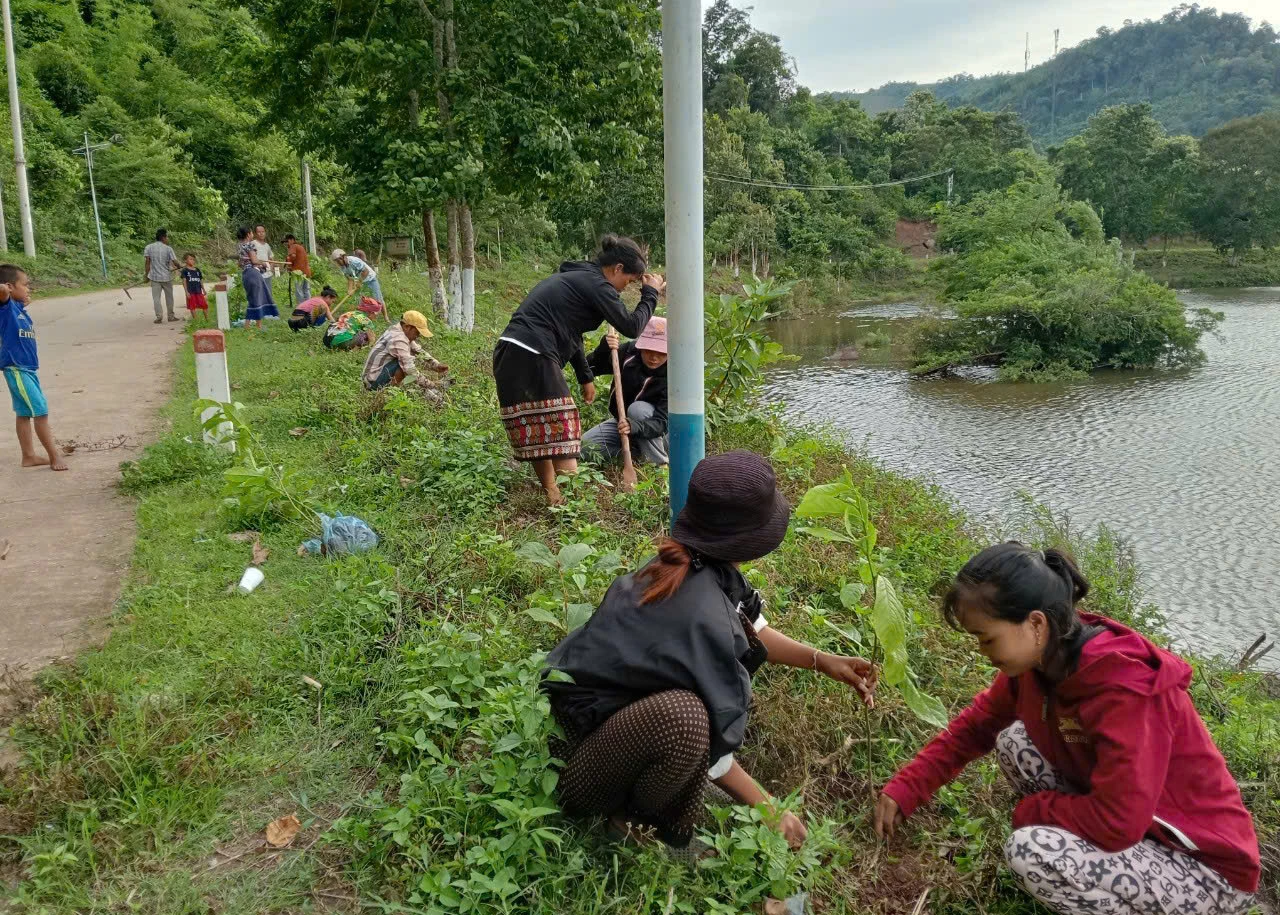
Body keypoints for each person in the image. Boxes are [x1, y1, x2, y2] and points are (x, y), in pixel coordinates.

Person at [874, 542, 1259, 915]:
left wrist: (1035, 810)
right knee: (1013, 741)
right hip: (1141, 827)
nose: (981, 651)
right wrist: (906, 788)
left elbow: (1118, 822)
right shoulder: (1038, 667)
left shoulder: (1122, 688)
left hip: (1206, 871)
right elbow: (974, 729)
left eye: (987, 638)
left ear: (1036, 624)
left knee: (1030, 852)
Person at [544, 451, 876, 854]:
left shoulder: (688, 566)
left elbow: (751, 629)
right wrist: (768, 808)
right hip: (574, 769)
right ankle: (628, 820)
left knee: (685, 721)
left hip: (600, 730)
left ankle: (652, 784)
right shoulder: (700, 614)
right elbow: (716, 741)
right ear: (753, 541)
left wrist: (823, 661)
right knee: (686, 721)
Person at [493, 234, 665, 504]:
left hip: (510, 351)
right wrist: (650, 294)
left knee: (540, 424)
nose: (622, 290)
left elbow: (571, 335)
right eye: (628, 281)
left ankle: (554, 495)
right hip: (533, 352)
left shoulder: (580, 279)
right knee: (561, 425)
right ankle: (574, 500)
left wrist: (586, 376)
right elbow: (631, 327)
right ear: (617, 268)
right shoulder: (597, 284)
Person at [0, 265, 66, 471]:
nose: (29, 289)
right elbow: (2, 291)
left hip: (27, 369)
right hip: (17, 369)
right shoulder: (5, 306)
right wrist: (6, 290)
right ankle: (54, 456)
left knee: (23, 413)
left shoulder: (17, 307)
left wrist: (21, 299)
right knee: (40, 412)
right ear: (10, 287)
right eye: (25, 285)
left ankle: (28, 456)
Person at [581, 316, 669, 466]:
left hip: (662, 433)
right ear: (641, 346)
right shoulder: (628, 353)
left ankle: (658, 466)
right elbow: (590, 368)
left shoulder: (674, 374)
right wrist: (604, 348)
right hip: (623, 423)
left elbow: (662, 422)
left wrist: (635, 426)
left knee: (638, 409)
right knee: (584, 447)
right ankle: (637, 457)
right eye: (649, 350)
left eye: (661, 352)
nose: (654, 357)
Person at [362, 310, 448, 391]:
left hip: (375, 375)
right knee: (404, 365)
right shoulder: (398, 339)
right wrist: (432, 385)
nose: (418, 336)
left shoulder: (401, 332)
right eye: (417, 332)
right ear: (407, 327)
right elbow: (409, 370)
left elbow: (418, 351)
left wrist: (436, 365)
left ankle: (392, 389)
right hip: (372, 381)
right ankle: (388, 392)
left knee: (408, 357)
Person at [236, 226, 278, 328]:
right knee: (257, 298)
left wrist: (260, 265)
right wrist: (263, 264)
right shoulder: (249, 245)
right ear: (248, 234)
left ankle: (249, 325)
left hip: (246, 274)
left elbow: (240, 263)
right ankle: (258, 326)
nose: (252, 234)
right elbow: (254, 261)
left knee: (253, 298)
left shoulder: (239, 246)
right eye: (251, 232)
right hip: (253, 274)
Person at [142, 228, 180, 324]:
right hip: (167, 277)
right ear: (163, 237)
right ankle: (171, 316)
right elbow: (175, 262)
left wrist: (146, 275)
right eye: (167, 237)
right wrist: (179, 266)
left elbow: (147, 263)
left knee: (156, 298)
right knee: (169, 297)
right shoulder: (168, 249)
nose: (167, 239)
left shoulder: (148, 247)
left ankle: (159, 316)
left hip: (154, 278)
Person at [283, 233, 312, 304]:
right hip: (306, 271)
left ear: (292, 240)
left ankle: (301, 307)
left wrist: (289, 260)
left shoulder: (293, 246)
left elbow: (293, 256)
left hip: (299, 272)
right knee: (306, 290)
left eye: (287, 241)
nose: (287, 244)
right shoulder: (300, 247)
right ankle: (308, 306)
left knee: (299, 290)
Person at [179, 254, 207, 318]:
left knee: (204, 305)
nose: (192, 261)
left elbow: (200, 280)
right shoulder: (185, 270)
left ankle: (207, 319)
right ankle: (196, 321)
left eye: (193, 259)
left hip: (198, 291)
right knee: (192, 306)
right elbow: (184, 282)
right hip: (190, 291)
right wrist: (186, 292)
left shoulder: (197, 270)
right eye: (190, 259)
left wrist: (204, 289)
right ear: (186, 260)